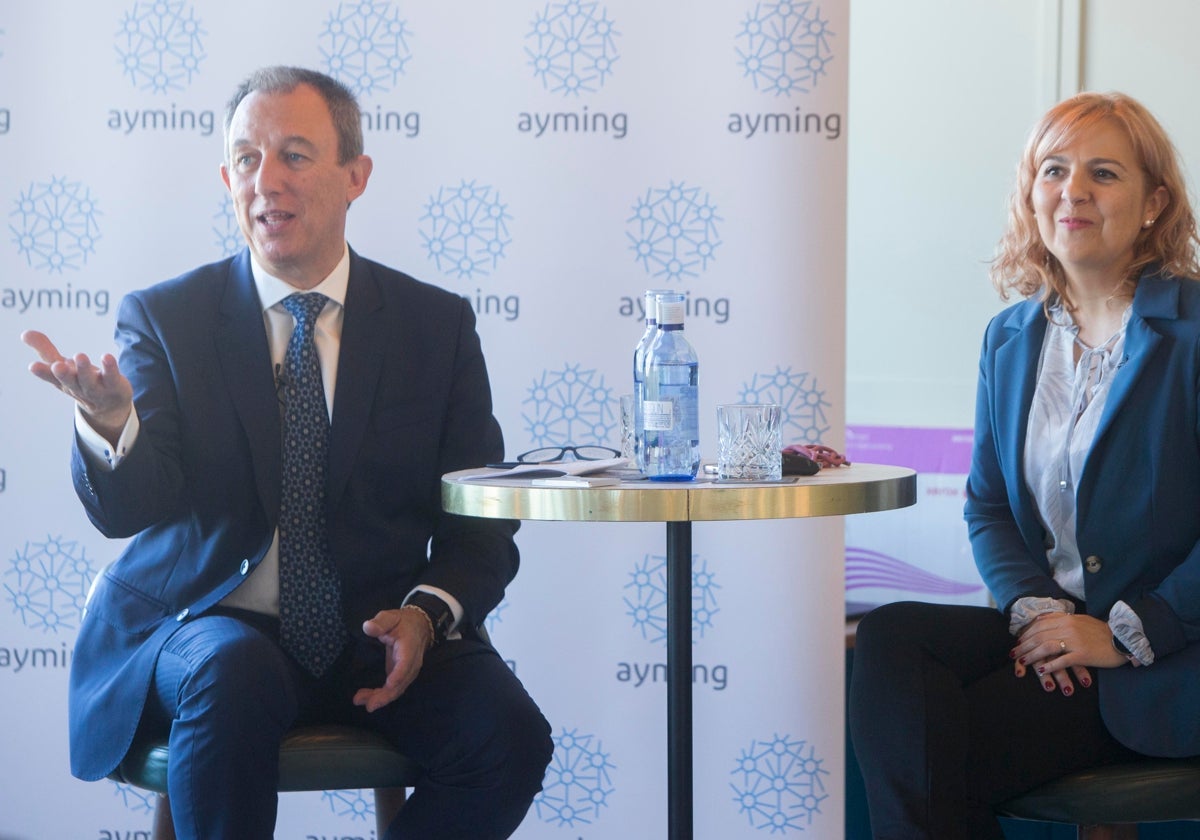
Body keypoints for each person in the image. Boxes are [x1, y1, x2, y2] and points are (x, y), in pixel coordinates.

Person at [22, 65, 552, 839]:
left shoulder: (433, 328)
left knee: (508, 737)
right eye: (245, 159)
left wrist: (424, 616)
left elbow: (480, 523)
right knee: (231, 674)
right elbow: (130, 511)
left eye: (295, 155)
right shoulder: (168, 317)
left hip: (378, 630)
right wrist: (109, 425)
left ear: (355, 175)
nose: (265, 181)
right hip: (207, 622)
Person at [848, 91, 1200, 838]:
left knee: (934, 753)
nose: (1072, 190)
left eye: (1103, 173)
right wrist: (1042, 613)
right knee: (891, 641)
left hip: (1165, 655)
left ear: (1152, 204)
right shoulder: (1009, 338)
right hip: (1054, 634)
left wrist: (1120, 633)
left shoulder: (1194, 333)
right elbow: (988, 506)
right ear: (1030, 194)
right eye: (1053, 169)